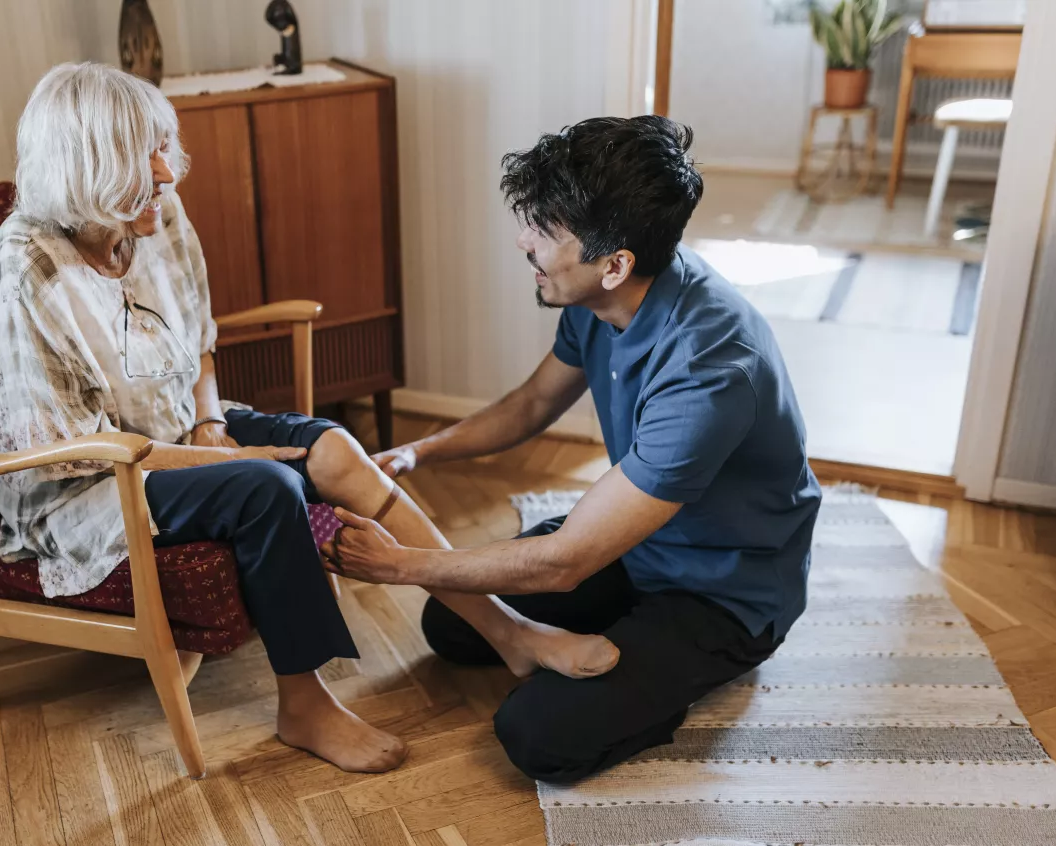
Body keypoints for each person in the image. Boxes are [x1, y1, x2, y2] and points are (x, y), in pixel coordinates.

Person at [0, 62, 620, 775]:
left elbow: (198, 340)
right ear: (88, 166)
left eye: (164, 145)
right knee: (265, 487)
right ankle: (303, 703)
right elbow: (78, 448)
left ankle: (509, 632)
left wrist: (207, 420)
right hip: (87, 482)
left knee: (338, 451)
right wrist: (226, 461)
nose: (168, 169)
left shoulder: (157, 218)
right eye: (145, 155)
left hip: (175, 426)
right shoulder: (26, 266)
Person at [324, 116, 822, 783]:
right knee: (453, 626)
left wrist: (397, 564)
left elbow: (564, 562)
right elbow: (530, 405)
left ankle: (672, 681)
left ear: (615, 263)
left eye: (546, 231)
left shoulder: (710, 365)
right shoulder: (597, 296)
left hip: (724, 591)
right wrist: (421, 452)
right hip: (640, 546)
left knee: (535, 733)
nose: (524, 241)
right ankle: (618, 638)